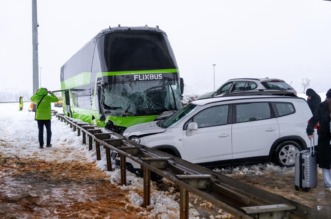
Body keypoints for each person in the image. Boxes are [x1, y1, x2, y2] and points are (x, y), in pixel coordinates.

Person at [306, 88, 331, 191]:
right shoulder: (321, 106)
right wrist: (309, 131)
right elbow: (313, 120)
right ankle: (328, 184)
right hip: (325, 136)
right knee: (326, 161)